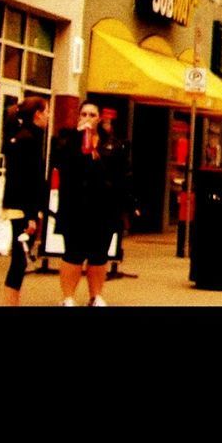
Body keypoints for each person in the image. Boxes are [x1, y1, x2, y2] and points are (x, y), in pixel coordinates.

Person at [51, 98, 130, 306]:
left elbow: (120, 175)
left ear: (99, 119)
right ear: (78, 117)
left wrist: (125, 206)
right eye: (84, 114)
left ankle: (96, 295)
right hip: (75, 207)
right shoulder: (67, 140)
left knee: (98, 256)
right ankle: (68, 297)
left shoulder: (112, 143)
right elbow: (59, 164)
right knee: (73, 254)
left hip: (103, 208)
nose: (88, 118)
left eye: (92, 115)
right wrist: (78, 139)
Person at [1, 95, 49, 305]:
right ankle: (11, 303)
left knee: (21, 260)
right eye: (47, 112)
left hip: (19, 206)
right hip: (22, 209)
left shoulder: (25, 136)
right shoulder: (28, 139)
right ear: (37, 114)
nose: (49, 116)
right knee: (19, 260)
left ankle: (13, 302)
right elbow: (26, 180)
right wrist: (31, 215)